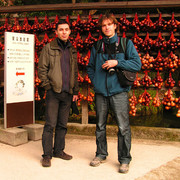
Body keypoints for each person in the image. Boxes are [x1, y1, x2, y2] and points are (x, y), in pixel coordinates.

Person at [87, 14, 141, 173]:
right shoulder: (96, 46)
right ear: (101, 28)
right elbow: (90, 67)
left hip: (119, 92)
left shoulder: (125, 43)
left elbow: (137, 63)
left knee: (123, 127)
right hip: (100, 93)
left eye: (110, 24)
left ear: (115, 26)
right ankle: (101, 153)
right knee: (99, 126)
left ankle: (124, 159)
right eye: (104, 25)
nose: (107, 27)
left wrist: (117, 62)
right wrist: (95, 81)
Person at [38, 20, 79, 167]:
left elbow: (74, 72)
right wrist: (48, 86)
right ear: (56, 32)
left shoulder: (72, 50)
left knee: (62, 124)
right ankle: (47, 155)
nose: (64, 32)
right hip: (53, 92)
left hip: (67, 93)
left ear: (69, 32)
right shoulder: (48, 48)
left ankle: (59, 151)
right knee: (50, 124)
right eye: (61, 29)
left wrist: (75, 90)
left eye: (66, 29)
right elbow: (42, 70)